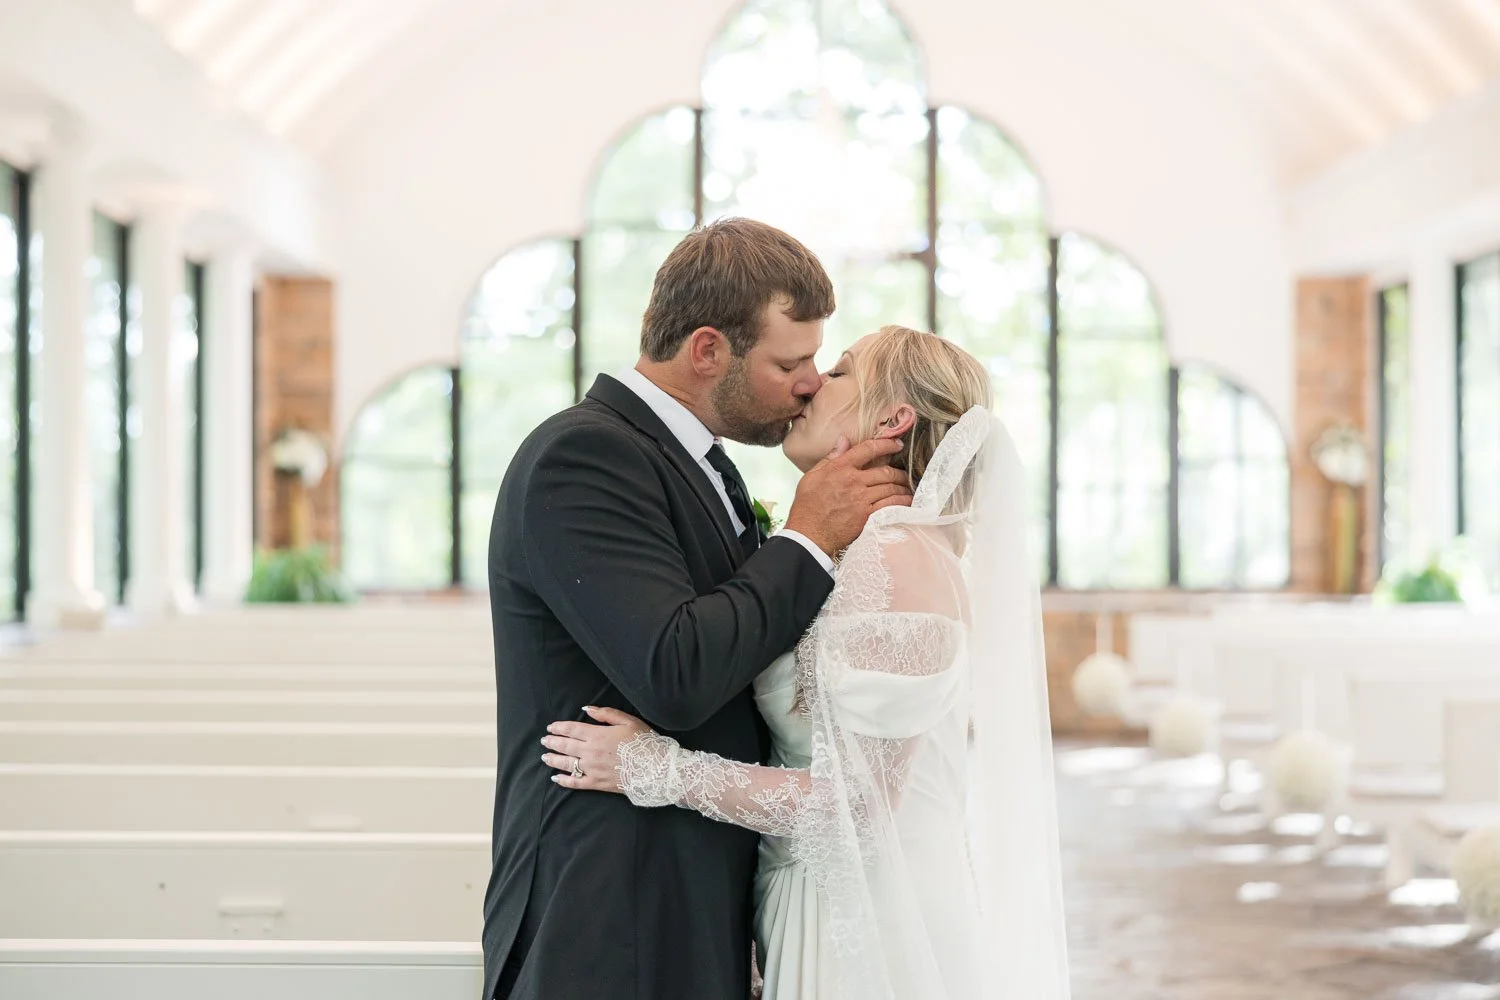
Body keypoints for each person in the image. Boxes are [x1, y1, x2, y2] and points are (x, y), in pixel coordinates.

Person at [541, 325, 1072, 1000]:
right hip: (818, 893)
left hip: (864, 921)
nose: (815, 382)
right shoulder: (866, 550)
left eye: (841, 371)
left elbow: (858, 808)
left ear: (892, 420)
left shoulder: (895, 555)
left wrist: (655, 768)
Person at [482, 218, 912, 1000]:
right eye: (790, 362)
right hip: (610, 911)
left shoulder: (705, 464)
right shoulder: (582, 456)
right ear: (708, 350)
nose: (810, 383)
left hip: (696, 899)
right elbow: (675, 671)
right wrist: (807, 538)